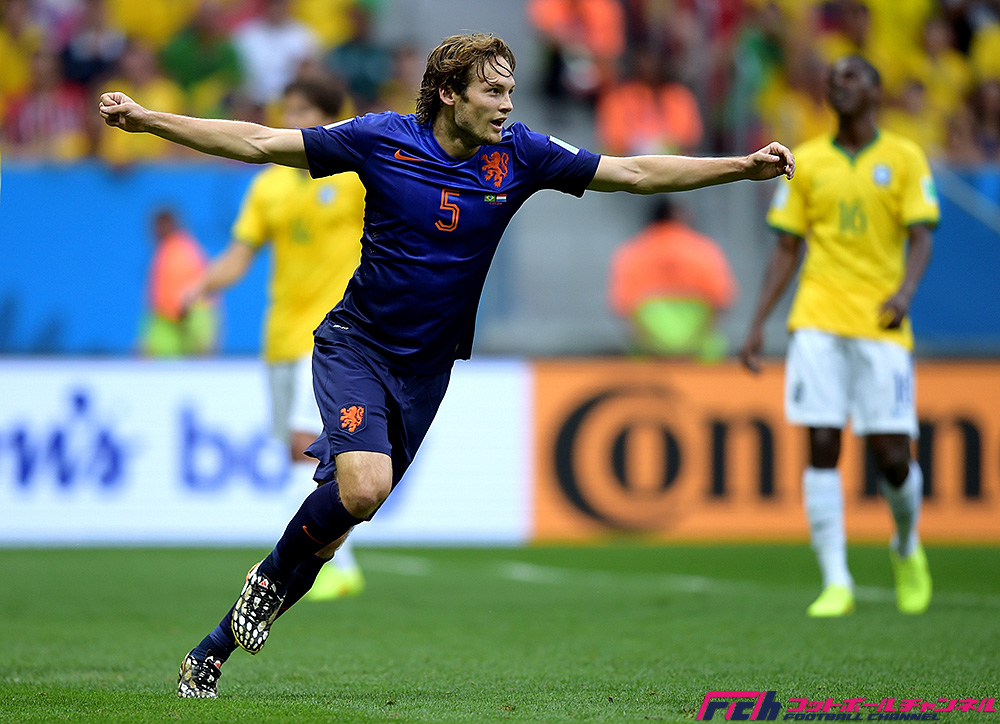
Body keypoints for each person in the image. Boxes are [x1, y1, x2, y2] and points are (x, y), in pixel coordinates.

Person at [99, 32, 794, 698]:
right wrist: (149, 120)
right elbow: (259, 141)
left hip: (428, 372)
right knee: (364, 487)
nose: (507, 105)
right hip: (356, 346)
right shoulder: (380, 139)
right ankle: (269, 579)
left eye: (511, 91)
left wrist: (739, 167)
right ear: (449, 93)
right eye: (493, 91)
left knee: (339, 526)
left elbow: (634, 172)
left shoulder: (521, 154)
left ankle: (210, 652)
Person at [739, 55, 938, 618]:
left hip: (880, 323)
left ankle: (907, 546)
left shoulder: (904, 157)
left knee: (892, 458)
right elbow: (787, 246)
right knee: (822, 443)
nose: (837, 84)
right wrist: (757, 323)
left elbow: (922, 235)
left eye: (851, 76)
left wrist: (905, 293)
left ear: (876, 89)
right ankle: (835, 580)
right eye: (832, 79)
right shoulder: (808, 160)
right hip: (817, 319)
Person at [183, 76, 367, 604]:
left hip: (336, 335)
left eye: (304, 110)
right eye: (288, 111)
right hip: (282, 336)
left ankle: (335, 566)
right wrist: (202, 286)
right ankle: (325, 560)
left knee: (311, 448)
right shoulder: (269, 185)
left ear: (331, 117)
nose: (292, 121)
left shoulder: (356, 176)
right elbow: (240, 254)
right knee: (297, 453)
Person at [608, 198, 736, 361]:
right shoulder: (703, 249)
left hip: (649, 350)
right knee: (716, 343)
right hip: (698, 352)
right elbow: (723, 299)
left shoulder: (633, 251)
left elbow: (622, 306)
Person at [141, 209, 217, 357]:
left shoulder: (178, 250)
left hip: (186, 319)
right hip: (173, 319)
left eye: (160, 226)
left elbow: (184, 292)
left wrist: (183, 312)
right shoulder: (168, 249)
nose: (156, 231)